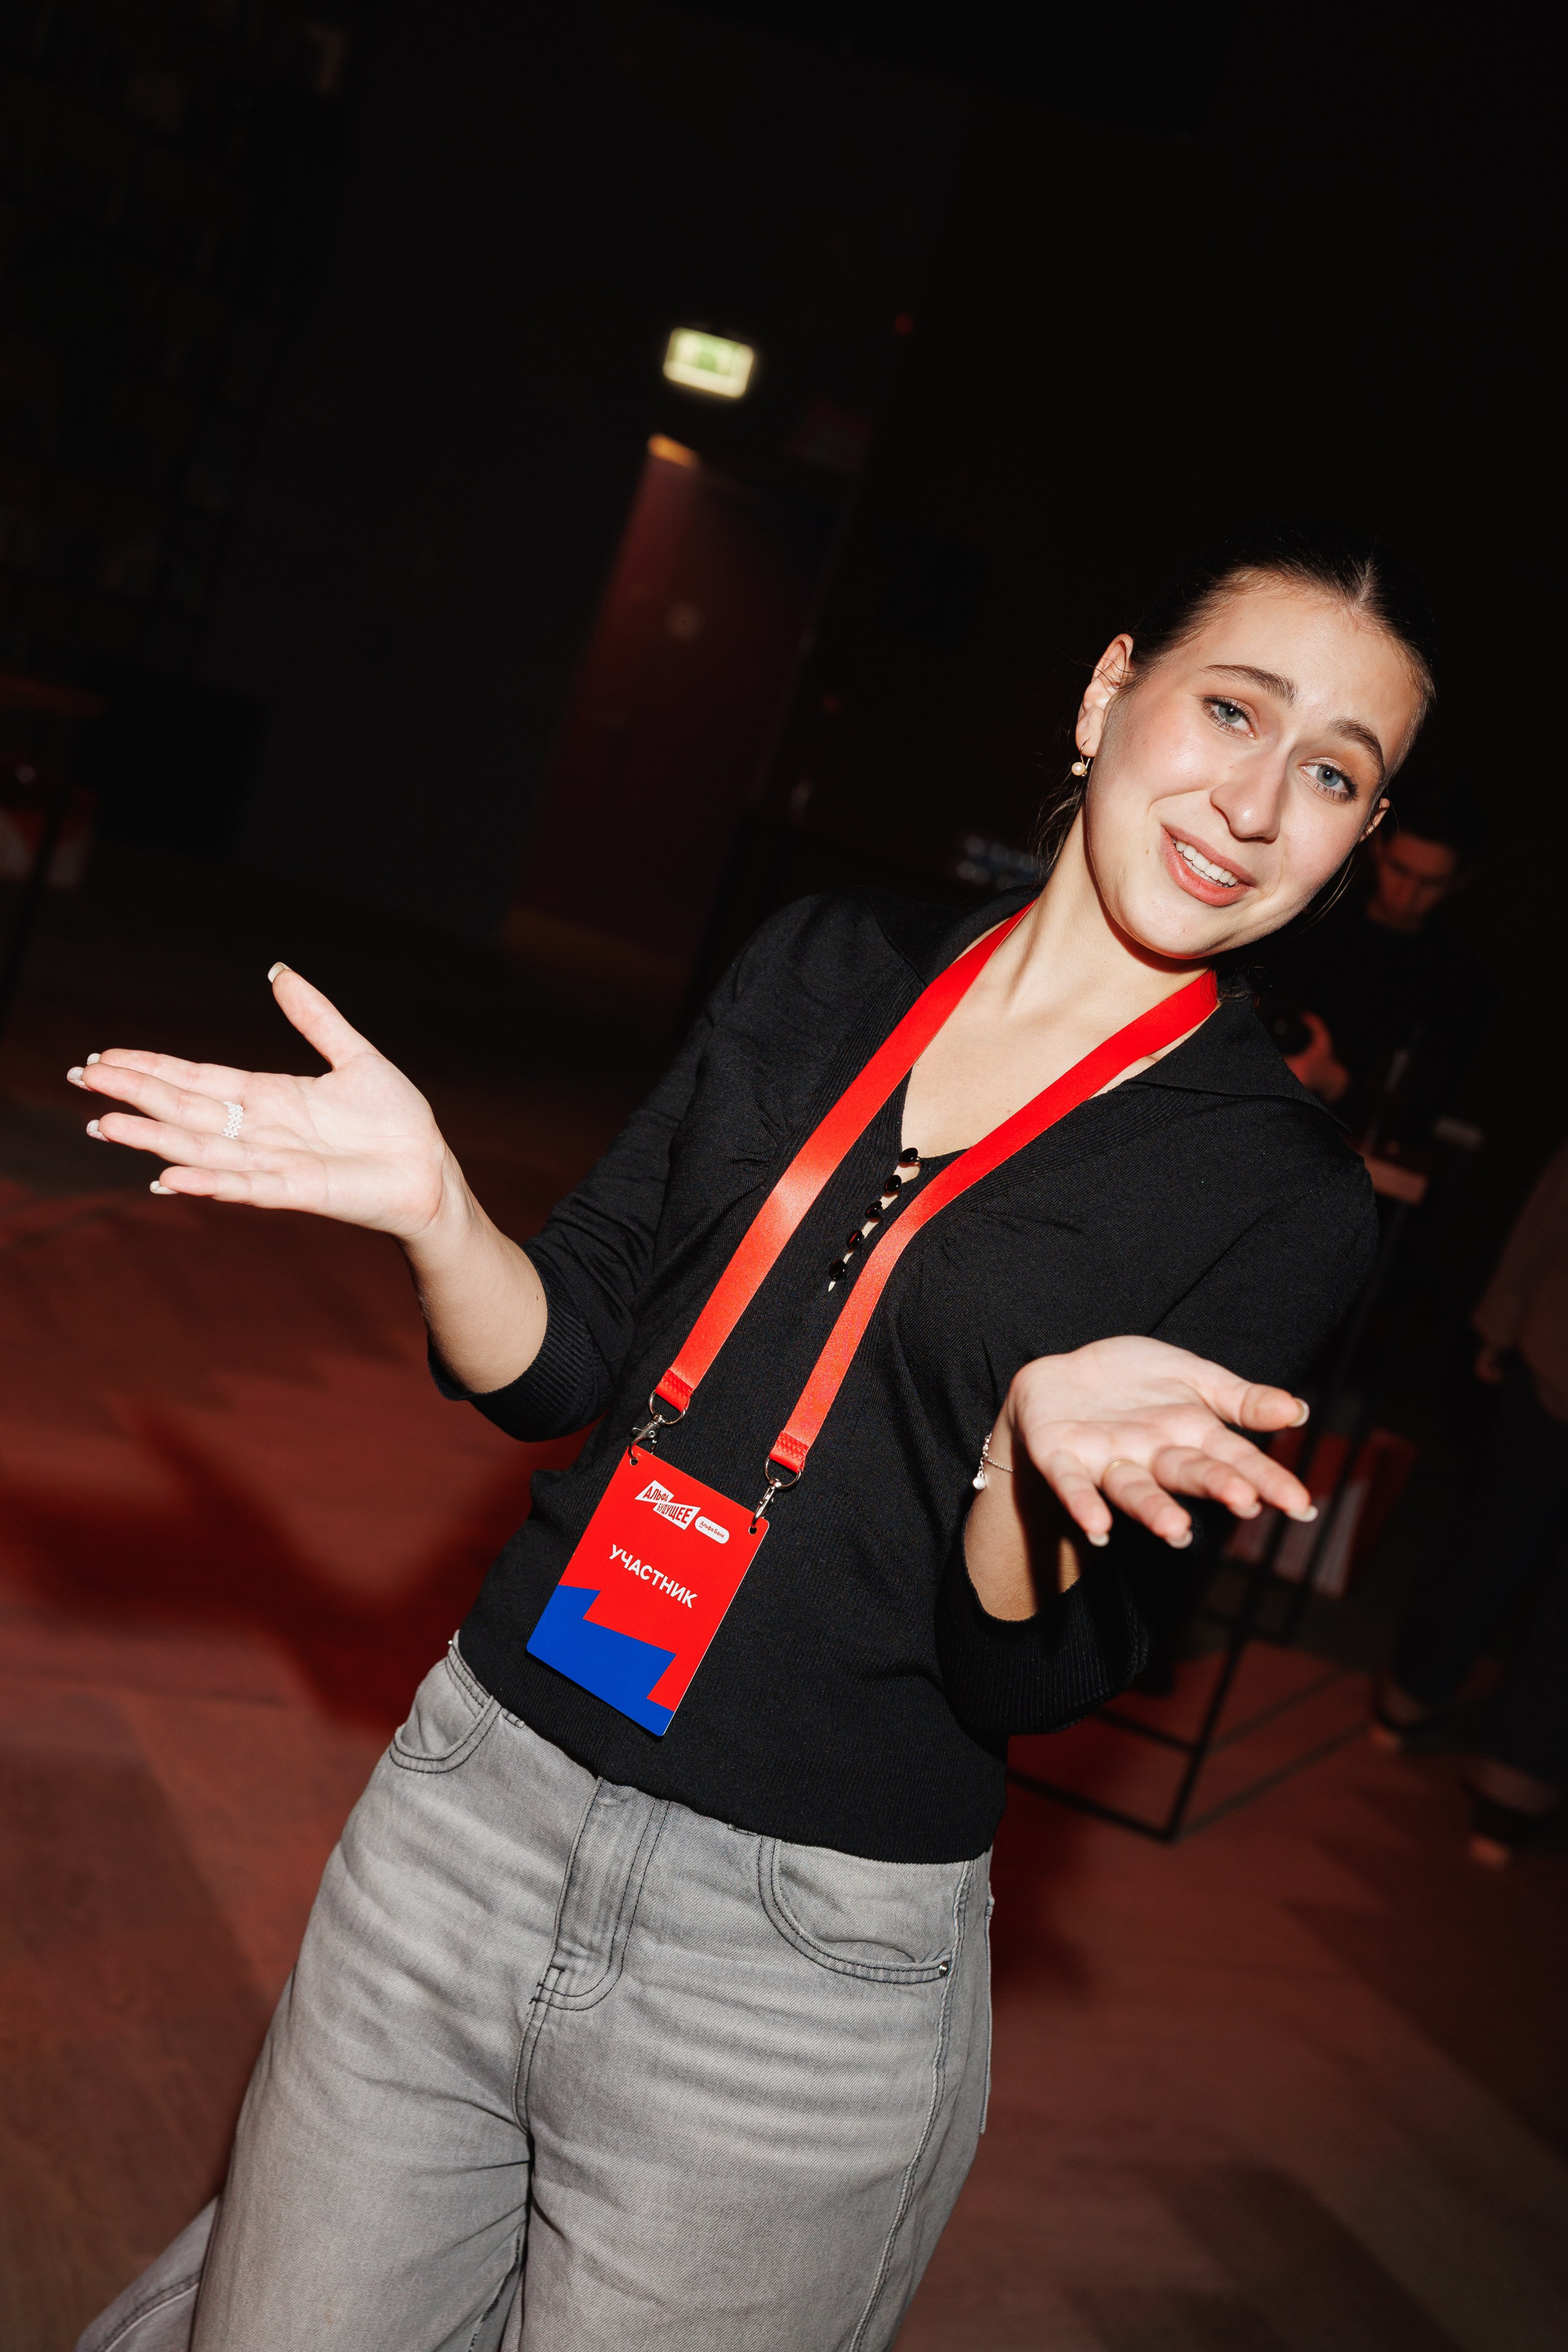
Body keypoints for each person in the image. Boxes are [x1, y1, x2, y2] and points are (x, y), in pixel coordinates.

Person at [72, 523, 1432, 2352]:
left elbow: (1039, 1673)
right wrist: (439, 1214)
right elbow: (568, 1359)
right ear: (1112, 692)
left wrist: (1021, 1473)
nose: (1256, 805)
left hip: (797, 1974)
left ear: (1362, 835)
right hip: (472, 1812)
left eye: (1335, 775)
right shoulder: (822, 964)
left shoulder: (1277, 1196)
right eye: (1234, 711)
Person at [1375, 1142, 1568, 1864]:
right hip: (1553, 1356)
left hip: (1553, 1358)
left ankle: (1408, 1699)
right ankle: (1512, 1792)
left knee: (1493, 1537)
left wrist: (1502, 1323)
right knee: (1499, 1542)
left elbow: (1549, 1214)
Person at [1263, 771, 1492, 1147]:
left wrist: (1335, 1081)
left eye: (1430, 883)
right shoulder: (1302, 925)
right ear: (1377, 844)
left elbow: (1421, 1115)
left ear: (1459, 880)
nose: (1407, 895)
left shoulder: (1463, 986)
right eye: (1400, 870)